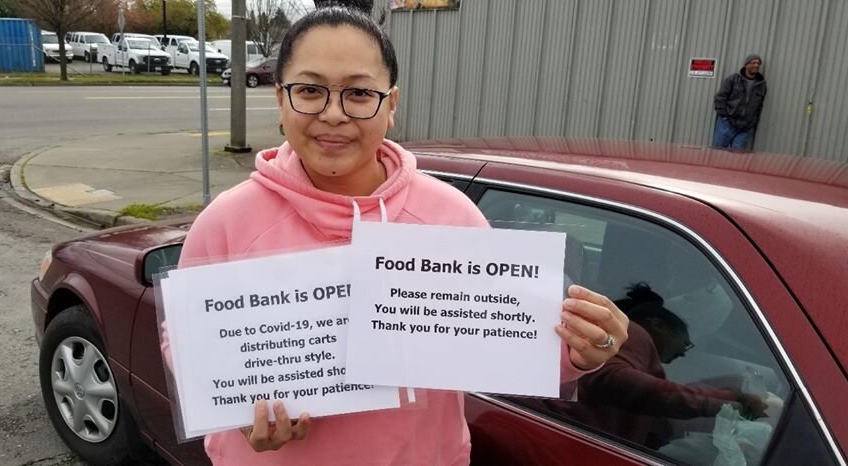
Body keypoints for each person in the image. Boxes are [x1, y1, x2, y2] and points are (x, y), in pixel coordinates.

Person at [169, 5, 630, 465]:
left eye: (358, 93)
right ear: (280, 99)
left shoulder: (449, 217)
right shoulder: (228, 220)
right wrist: (235, 408)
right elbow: (183, 338)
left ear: (390, 105)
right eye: (310, 90)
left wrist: (583, 349)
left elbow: (507, 341)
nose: (333, 114)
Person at [550, 283, 767, 449]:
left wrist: (728, 396)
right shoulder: (635, 334)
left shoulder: (634, 346)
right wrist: (728, 404)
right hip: (576, 443)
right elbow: (624, 385)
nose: (682, 352)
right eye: (686, 343)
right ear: (659, 325)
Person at [712, 54, 767, 151]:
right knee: (718, 152)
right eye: (753, 62)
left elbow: (759, 106)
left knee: (737, 158)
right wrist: (724, 116)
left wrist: (753, 121)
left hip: (745, 127)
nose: (756, 65)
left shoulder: (761, 85)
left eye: (758, 63)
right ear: (746, 65)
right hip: (727, 123)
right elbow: (720, 97)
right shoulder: (733, 80)